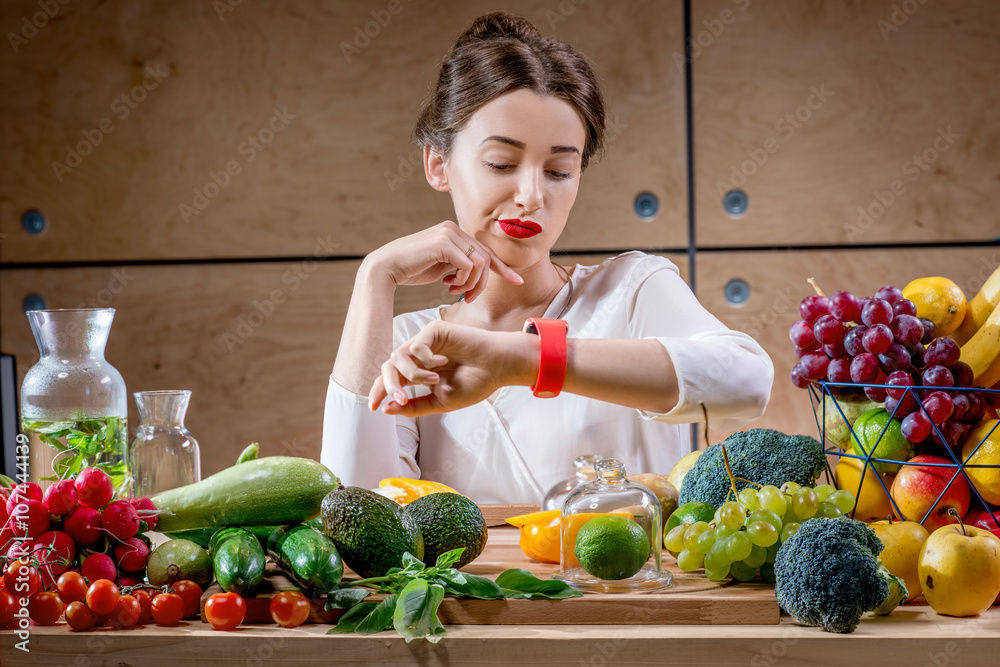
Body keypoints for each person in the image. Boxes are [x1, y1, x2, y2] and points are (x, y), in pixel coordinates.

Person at [322, 12, 773, 503]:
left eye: (559, 171)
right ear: (438, 164)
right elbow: (355, 512)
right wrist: (375, 276)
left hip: (626, 584)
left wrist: (522, 360)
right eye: (502, 164)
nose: (532, 196)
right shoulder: (408, 347)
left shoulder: (631, 291)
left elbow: (745, 378)